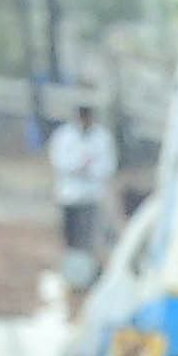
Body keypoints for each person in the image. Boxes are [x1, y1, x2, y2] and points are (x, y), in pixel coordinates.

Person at [49, 96, 116, 257]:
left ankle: (85, 264)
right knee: (70, 235)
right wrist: (77, 166)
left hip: (91, 196)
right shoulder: (64, 136)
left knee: (88, 237)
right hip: (69, 194)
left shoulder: (102, 137)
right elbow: (58, 161)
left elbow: (108, 165)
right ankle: (71, 262)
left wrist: (90, 169)